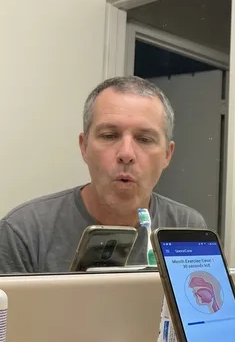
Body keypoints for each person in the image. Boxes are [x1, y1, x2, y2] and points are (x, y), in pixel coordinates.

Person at [0, 76, 207, 273]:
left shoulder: (187, 228)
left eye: (144, 139)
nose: (126, 154)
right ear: (84, 146)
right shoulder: (24, 232)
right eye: (109, 136)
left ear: (167, 155)